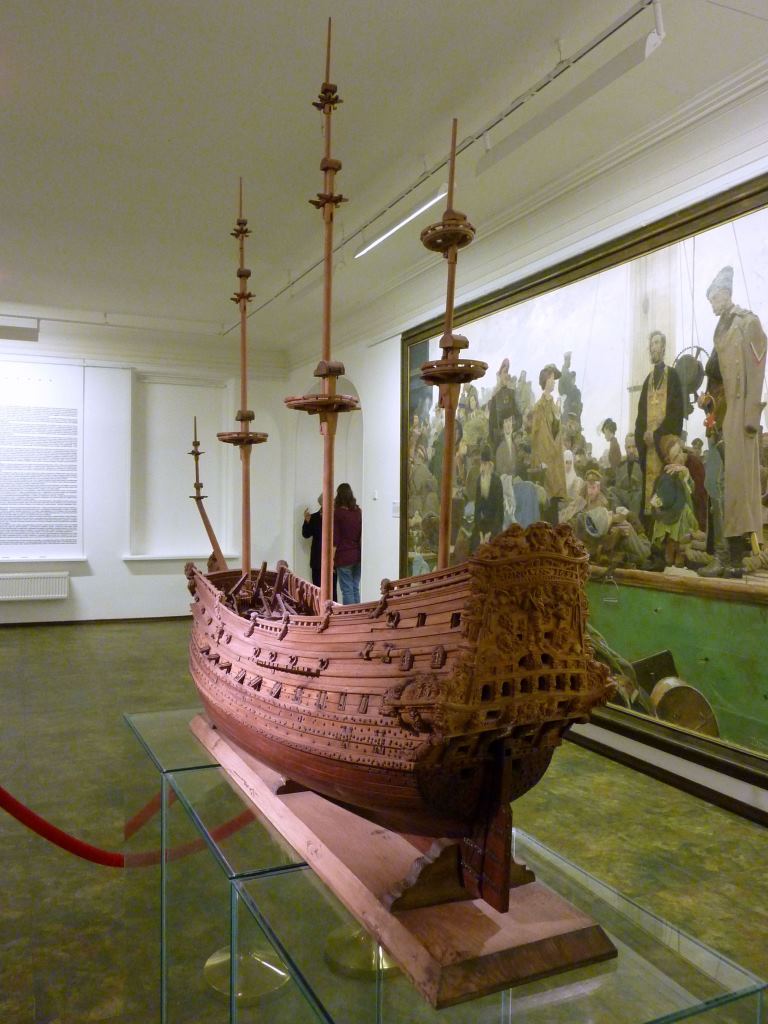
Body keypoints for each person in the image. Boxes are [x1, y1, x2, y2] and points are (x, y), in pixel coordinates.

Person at [701, 265, 767, 576]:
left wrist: (751, 415)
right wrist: (707, 400)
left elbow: (758, 366)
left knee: (737, 489)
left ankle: (733, 559)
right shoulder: (721, 330)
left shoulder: (747, 323)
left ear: (726, 294)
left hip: (740, 417)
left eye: (714, 299)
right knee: (721, 487)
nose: (712, 305)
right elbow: (716, 376)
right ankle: (725, 557)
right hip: (722, 419)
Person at [634, 330, 684, 522]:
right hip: (648, 450)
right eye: (651, 344)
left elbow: (676, 412)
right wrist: (643, 436)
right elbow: (640, 416)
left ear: (663, 347)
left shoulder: (673, 376)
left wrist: (656, 435)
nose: (653, 347)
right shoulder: (648, 381)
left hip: (664, 447)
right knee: (649, 498)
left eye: (657, 343)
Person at [530, 363, 566, 507]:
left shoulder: (554, 405)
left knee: (556, 499)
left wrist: (558, 417)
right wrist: (541, 459)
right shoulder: (539, 407)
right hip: (545, 458)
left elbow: (556, 432)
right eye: (551, 379)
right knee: (545, 499)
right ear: (545, 380)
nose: (554, 382)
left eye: (554, 379)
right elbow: (538, 436)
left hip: (555, 458)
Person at [301, 495, 337, 600]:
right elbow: (306, 534)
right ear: (321, 503)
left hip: (332, 559)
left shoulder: (335, 517)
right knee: (317, 588)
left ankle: (333, 609)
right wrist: (307, 521)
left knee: (332, 589)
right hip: (317, 559)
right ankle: (319, 608)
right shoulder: (314, 517)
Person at [333, 482, 362, 604]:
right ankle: (359, 613)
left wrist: (331, 559)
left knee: (347, 590)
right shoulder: (358, 512)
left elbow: (335, 539)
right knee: (355, 588)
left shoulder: (338, 513)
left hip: (343, 555)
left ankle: (350, 615)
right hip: (357, 554)